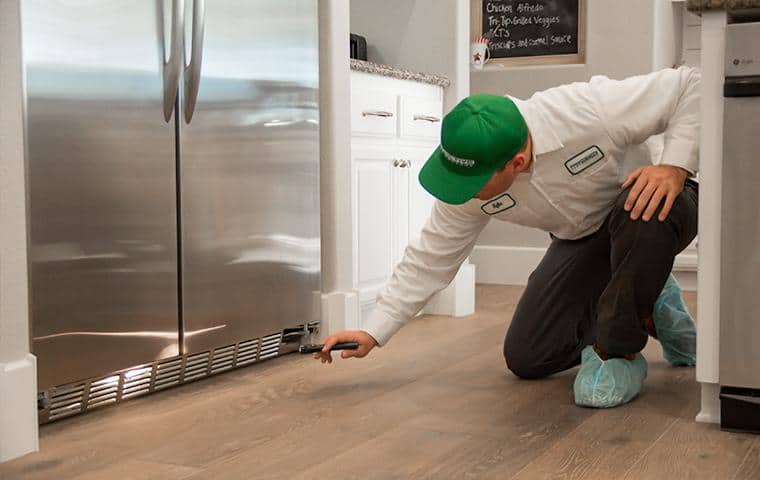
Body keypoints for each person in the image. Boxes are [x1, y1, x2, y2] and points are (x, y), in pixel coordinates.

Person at [315, 66, 700, 408]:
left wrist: (675, 165)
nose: (461, 191)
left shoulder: (588, 109)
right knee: (529, 357)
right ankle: (645, 292)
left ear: (515, 163)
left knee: (643, 209)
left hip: (657, 207)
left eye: (473, 182)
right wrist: (373, 329)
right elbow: (430, 259)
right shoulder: (468, 186)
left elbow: (692, 83)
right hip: (583, 240)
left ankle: (619, 350)